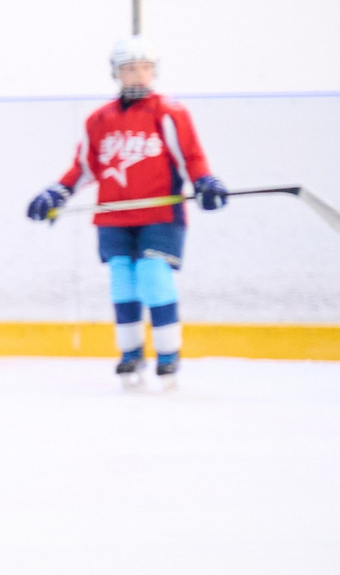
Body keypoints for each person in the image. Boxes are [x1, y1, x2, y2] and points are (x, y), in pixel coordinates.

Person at [26, 38, 230, 390]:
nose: (138, 75)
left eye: (145, 68)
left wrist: (205, 182)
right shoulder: (99, 119)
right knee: (123, 279)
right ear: (116, 73)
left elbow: (190, 156)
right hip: (113, 216)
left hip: (160, 213)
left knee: (153, 274)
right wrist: (57, 191)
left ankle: (168, 354)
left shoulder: (169, 112)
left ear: (154, 72)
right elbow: (86, 168)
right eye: (130, 68)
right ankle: (130, 352)